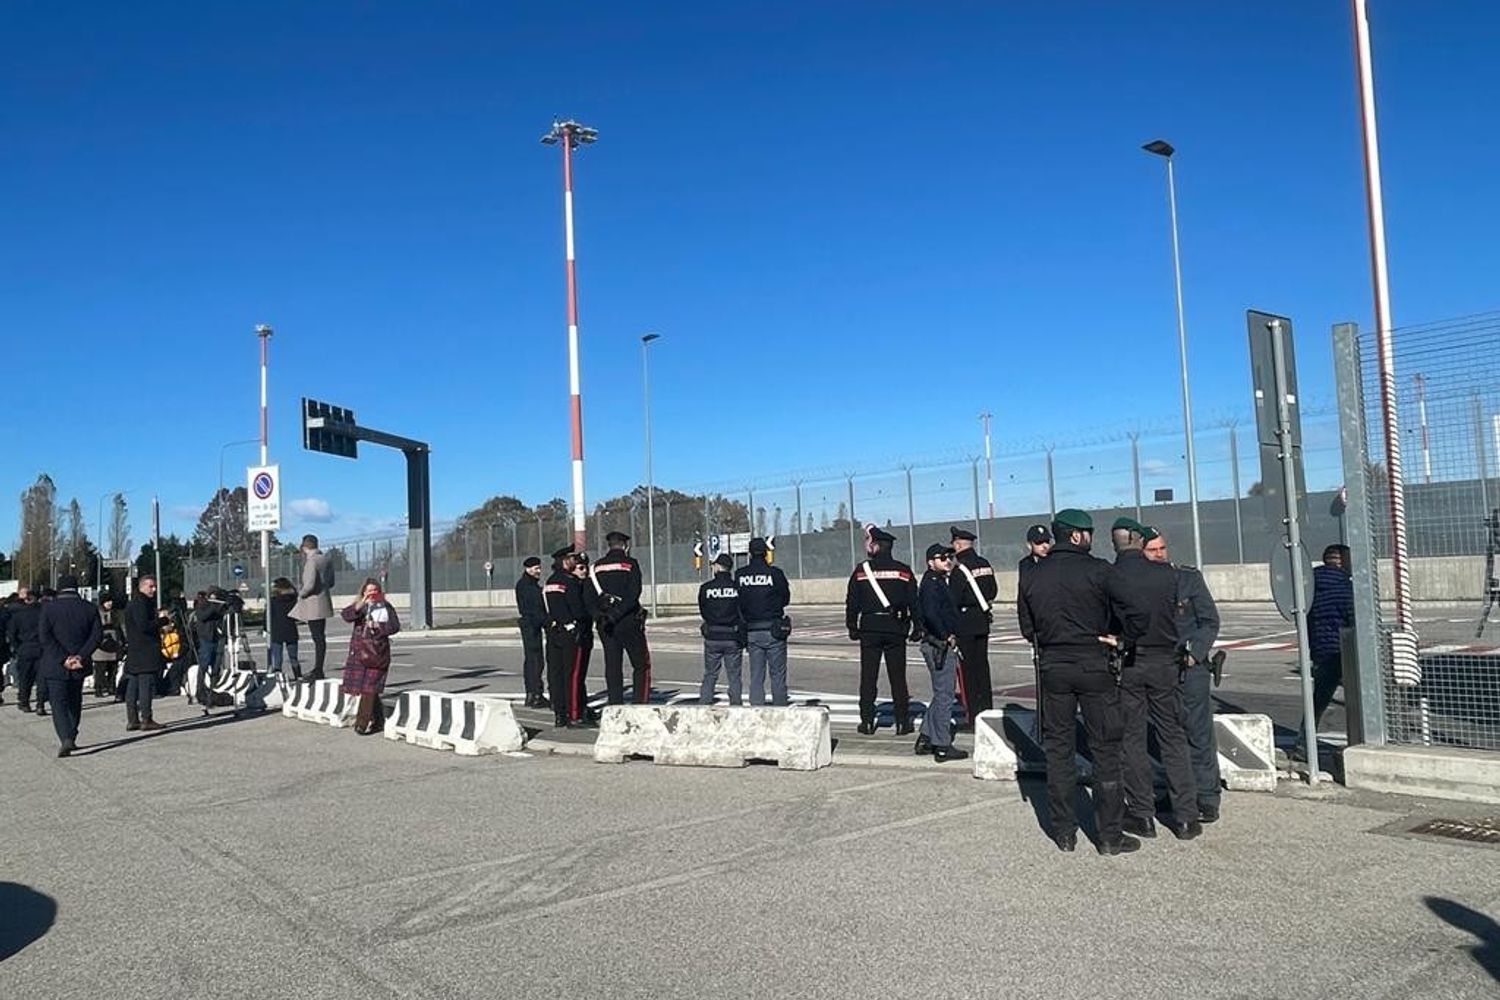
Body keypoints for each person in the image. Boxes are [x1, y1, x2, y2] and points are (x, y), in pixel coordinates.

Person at [1017, 509, 1137, 855]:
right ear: (1076, 536)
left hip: (1053, 665)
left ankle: (1064, 832)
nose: (1091, 538)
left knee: (1058, 752)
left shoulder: (1033, 575)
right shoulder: (1099, 569)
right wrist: (1117, 636)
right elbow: (1128, 611)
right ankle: (1110, 836)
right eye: (1088, 533)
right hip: (1092, 662)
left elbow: (1028, 627)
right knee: (1106, 750)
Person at [1105, 519, 1202, 842]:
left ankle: (1143, 815)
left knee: (1132, 740)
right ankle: (1186, 817)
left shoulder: (1111, 576)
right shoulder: (1169, 575)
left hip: (1131, 660)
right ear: (1137, 541)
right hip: (1165, 661)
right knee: (1173, 738)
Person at [1144, 526, 1224, 824]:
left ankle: (1206, 796)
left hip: (1189, 669)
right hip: (1157, 669)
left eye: (1162, 548)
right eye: (1153, 550)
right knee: (1165, 735)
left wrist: (1195, 653)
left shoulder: (1188, 578)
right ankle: (1174, 791)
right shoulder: (1140, 585)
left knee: (1197, 733)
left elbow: (1209, 621)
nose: (1160, 554)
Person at [845, 524, 917, 736]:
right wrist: (917, 626)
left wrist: (852, 626)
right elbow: (914, 600)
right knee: (898, 677)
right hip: (896, 628)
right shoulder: (903, 570)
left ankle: (867, 721)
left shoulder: (861, 571)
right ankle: (903, 722)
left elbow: (852, 601)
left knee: (868, 677)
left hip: (870, 628)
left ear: (875, 546)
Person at [37, 575, 101, 757]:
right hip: (80, 663)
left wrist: (63, 658)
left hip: (55, 664)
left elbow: (45, 637)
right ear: (77, 588)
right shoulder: (89, 608)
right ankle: (71, 732)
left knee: (58, 703)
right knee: (75, 700)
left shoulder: (48, 609)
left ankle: (66, 737)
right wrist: (81, 655)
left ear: (59, 588)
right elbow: (96, 636)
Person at [916, 543, 968, 762]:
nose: (947, 560)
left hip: (939, 642)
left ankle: (927, 736)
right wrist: (946, 634)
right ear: (930, 562)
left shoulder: (937, 581)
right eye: (942, 557)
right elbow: (930, 613)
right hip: (939, 644)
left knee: (942, 693)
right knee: (946, 694)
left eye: (949, 556)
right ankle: (942, 745)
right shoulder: (931, 584)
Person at [589, 531, 652, 705]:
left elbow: (588, 596)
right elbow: (634, 593)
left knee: (613, 665)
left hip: (605, 624)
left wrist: (599, 616)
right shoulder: (630, 564)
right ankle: (640, 703)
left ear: (609, 546)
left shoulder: (595, 568)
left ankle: (615, 703)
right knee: (641, 664)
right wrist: (617, 614)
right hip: (627, 621)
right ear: (625, 546)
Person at [1305, 544, 1355, 746]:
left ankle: (1304, 742)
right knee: (1360, 699)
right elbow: (1353, 620)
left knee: (1319, 699)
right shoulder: (1345, 588)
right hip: (1343, 650)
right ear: (1341, 561)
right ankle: (1361, 740)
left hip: (1320, 649)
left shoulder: (1310, 587)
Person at [948, 526, 997, 729]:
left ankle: (973, 716)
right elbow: (993, 590)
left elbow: (953, 599)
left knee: (968, 672)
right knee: (982, 668)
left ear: (958, 545)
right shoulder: (985, 564)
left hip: (965, 623)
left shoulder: (960, 570)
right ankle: (987, 710)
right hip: (982, 621)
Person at [735, 537, 792, 706]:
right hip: (773, 629)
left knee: (756, 676)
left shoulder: (740, 575)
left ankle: (756, 710)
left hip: (751, 630)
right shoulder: (775, 574)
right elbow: (785, 598)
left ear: (750, 554)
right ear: (766, 553)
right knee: (778, 675)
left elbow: (737, 602)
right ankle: (780, 709)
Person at [341, 578, 401, 735]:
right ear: (363, 592)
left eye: (375, 591)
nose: (372, 594)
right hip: (360, 653)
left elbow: (394, 626)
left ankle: (361, 723)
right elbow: (346, 616)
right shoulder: (360, 607)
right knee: (368, 689)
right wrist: (362, 604)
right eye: (369, 591)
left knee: (370, 687)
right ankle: (379, 721)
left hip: (377, 652)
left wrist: (378, 626)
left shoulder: (385, 607)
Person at [542, 545, 588, 728]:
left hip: (554, 633)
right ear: (564, 561)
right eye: (572, 559)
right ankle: (574, 715)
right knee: (573, 676)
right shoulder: (569, 582)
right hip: (571, 633)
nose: (574, 562)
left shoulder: (550, 582)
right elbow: (577, 609)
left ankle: (560, 714)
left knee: (557, 675)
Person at [121, 575, 168, 732]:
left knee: (133, 685)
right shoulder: (141, 603)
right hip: (145, 650)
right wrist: (162, 621)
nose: (154, 590)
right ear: (142, 587)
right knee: (145, 686)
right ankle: (146, 718)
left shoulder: (134, 602)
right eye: (150, 586)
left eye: (154, 586)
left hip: (135, 650)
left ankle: (132, 719)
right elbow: (144, 625)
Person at [699, 554, 745, 705]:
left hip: (712, 635)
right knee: (734, 676)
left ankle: (704, 703)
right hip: (732, 635)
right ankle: (736, 704)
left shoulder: (706, 588)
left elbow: (703, 611)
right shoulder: (737, 587)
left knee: (710, 674)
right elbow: (742, 611)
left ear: (718, 567)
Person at [290, 534, 336, 682]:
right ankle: (319, 667)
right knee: (321, 638)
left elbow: (309, 585)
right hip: (324, 601)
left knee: (316, 637)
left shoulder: (311, 562)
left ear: (305, 547)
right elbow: (331, 582)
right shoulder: (326, 559)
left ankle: (318, 669)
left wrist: (300, 593)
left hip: (312, 604)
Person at [515, 557, 549, 708]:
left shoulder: (527, 584)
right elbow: (535, 609)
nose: (539, 571)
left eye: (539, 568)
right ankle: (535, 694)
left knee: (531, 660)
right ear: (528, 569)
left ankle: (532, 693)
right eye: (536, 568)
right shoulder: (527, 586)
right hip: (531, 625)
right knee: (535, 661)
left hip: (530, 624)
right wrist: (548, 622)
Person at [8, 587, 44, 714]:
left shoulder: (18, 615)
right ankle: (40, 704)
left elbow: (12, 634)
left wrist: (17, 647)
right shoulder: (43, 613)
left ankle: (24, 702)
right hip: (41, 648)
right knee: (41, 679)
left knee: (24, 678)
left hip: (24, 648)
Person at [267, 577, 302, 681]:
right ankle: (298, 676)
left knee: (277, 657)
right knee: (293, 657)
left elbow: (268, 615)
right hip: (291, 630)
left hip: (276, 630)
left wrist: (265, 628)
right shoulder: (294, 599)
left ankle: (278, 678)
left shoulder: (273, 600)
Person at [93, 594, 122, 699]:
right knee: (100, 668)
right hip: (101, 645)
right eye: (107, 601)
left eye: (110, 601)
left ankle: (111, 687)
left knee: (113, 668)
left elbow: (119, 627)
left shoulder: (114, 614)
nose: (110, 603)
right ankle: (98, 688)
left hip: (114, 643)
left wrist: (122, 641)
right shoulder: (96, 613)